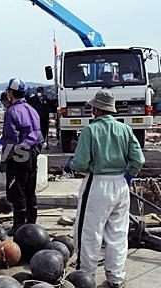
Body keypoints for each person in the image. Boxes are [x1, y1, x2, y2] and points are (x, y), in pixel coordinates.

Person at [63, 90, 145, 288]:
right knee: (117, 232)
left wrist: (70, 164)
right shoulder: (125, 129)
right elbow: (138, 160)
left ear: (96, 109)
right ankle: (116, 277)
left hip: (97, 184)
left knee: (88, 232)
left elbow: (81, 163)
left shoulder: (90, 130)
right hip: (121, 184)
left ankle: (86, 276)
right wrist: (128, 175)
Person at [0, 78, 42, 235]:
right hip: (32, 152)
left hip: (19, 154)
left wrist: (4, 160)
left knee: (17, 190)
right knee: (30, 189)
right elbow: (39, 135)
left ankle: (18, 226)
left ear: (10, 93)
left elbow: (10, 139)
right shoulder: (31, 109)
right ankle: (31, 223)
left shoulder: (12, 111)